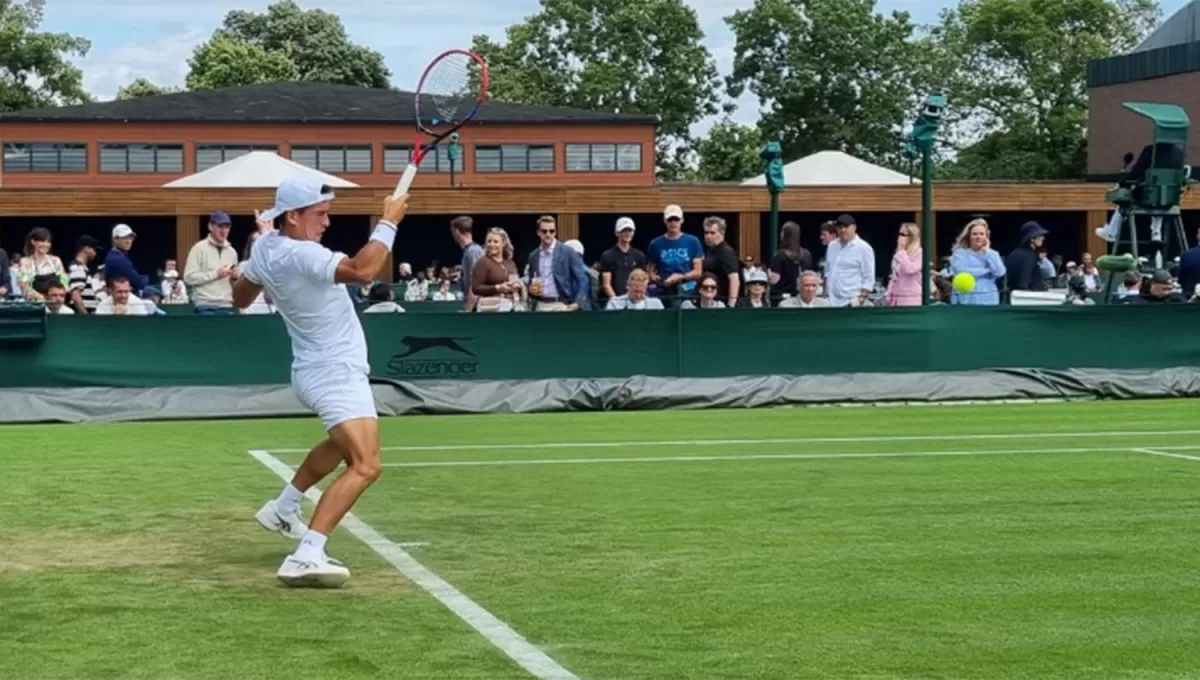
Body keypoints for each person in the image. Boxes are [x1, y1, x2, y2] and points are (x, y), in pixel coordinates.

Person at [233, 174, 408, 588]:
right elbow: (365, 271)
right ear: (292, 216)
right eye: (320, 213)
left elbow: (240, 298)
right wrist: (389, 221)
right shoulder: (302, 255)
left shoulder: (266, 249)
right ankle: (307, 553)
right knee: (366, 465)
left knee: (341, 445)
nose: (327, 222)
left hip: (311, 371)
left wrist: (264, 260)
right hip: (335, 372)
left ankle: (283, 507)